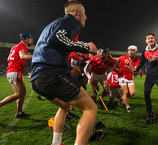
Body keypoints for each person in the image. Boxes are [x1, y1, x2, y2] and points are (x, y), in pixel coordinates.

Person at [30, 1, 98, 145]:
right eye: (84, 13)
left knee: (65, 106)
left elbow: (51, 45)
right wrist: (85, 46)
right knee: (91, 108)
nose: (86, 17)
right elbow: (57, 39)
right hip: (51, 75)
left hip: (38, 78)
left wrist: (67, 68)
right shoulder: (71, 21)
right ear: (76, 12)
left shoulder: (54, 24)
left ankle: (56, 143)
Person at [0, 33, 33, 118]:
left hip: (11, 71)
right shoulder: (22, 45)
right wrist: (37, 56)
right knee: (19, 94)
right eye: (30, 39)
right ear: (26, 39)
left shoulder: (14, 47)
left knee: (22, 93)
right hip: (15, 71)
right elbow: (22, 56)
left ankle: (20, 113)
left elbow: (8, 59)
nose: (31, 40)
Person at [115, 45, 140, 113]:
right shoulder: (123, 57)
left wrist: (129, 65)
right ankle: (128, 107)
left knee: (132, 93)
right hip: (122, 76)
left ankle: (122, 98)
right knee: (125, 92)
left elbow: (134, 71)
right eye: (129, 50)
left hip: (129, 78)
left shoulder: (137, 60)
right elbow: (115, 59)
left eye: (132, 50)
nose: (130, 52)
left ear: (136, 52)